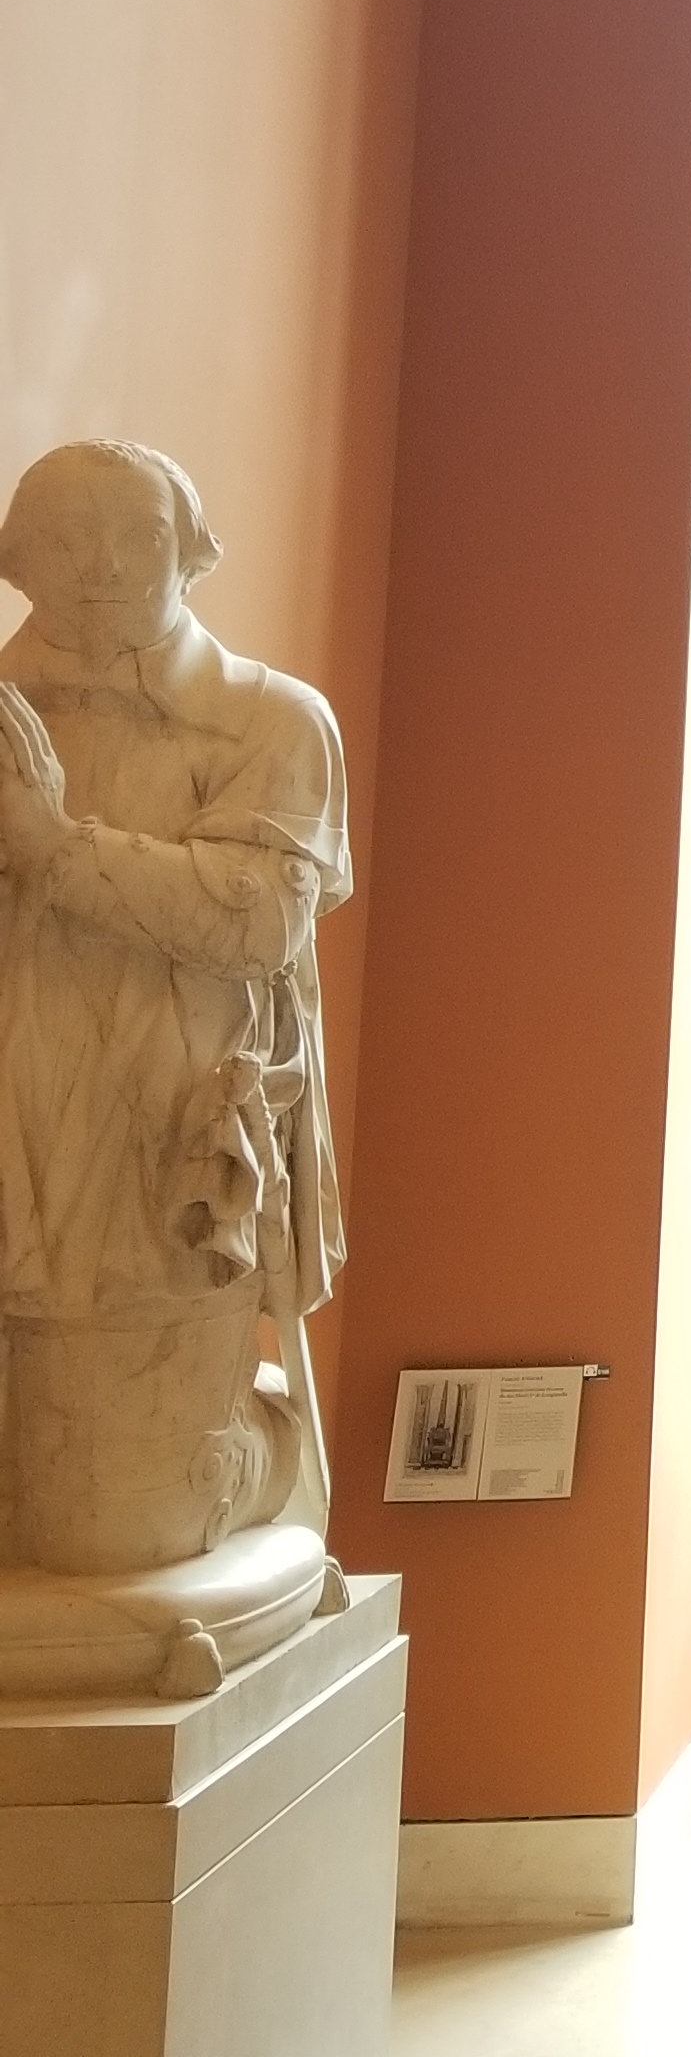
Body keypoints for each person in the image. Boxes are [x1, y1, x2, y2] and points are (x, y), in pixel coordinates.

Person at [0, 439, 348, 1568]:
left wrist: (56, 849)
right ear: (17, 558)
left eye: (138, 535)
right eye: (67, 537)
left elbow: (257, 921)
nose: (102, 564)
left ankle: (263, 1450)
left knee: (112, 1535)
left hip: (153, 1159)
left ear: (191, 553)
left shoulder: (270, 722)